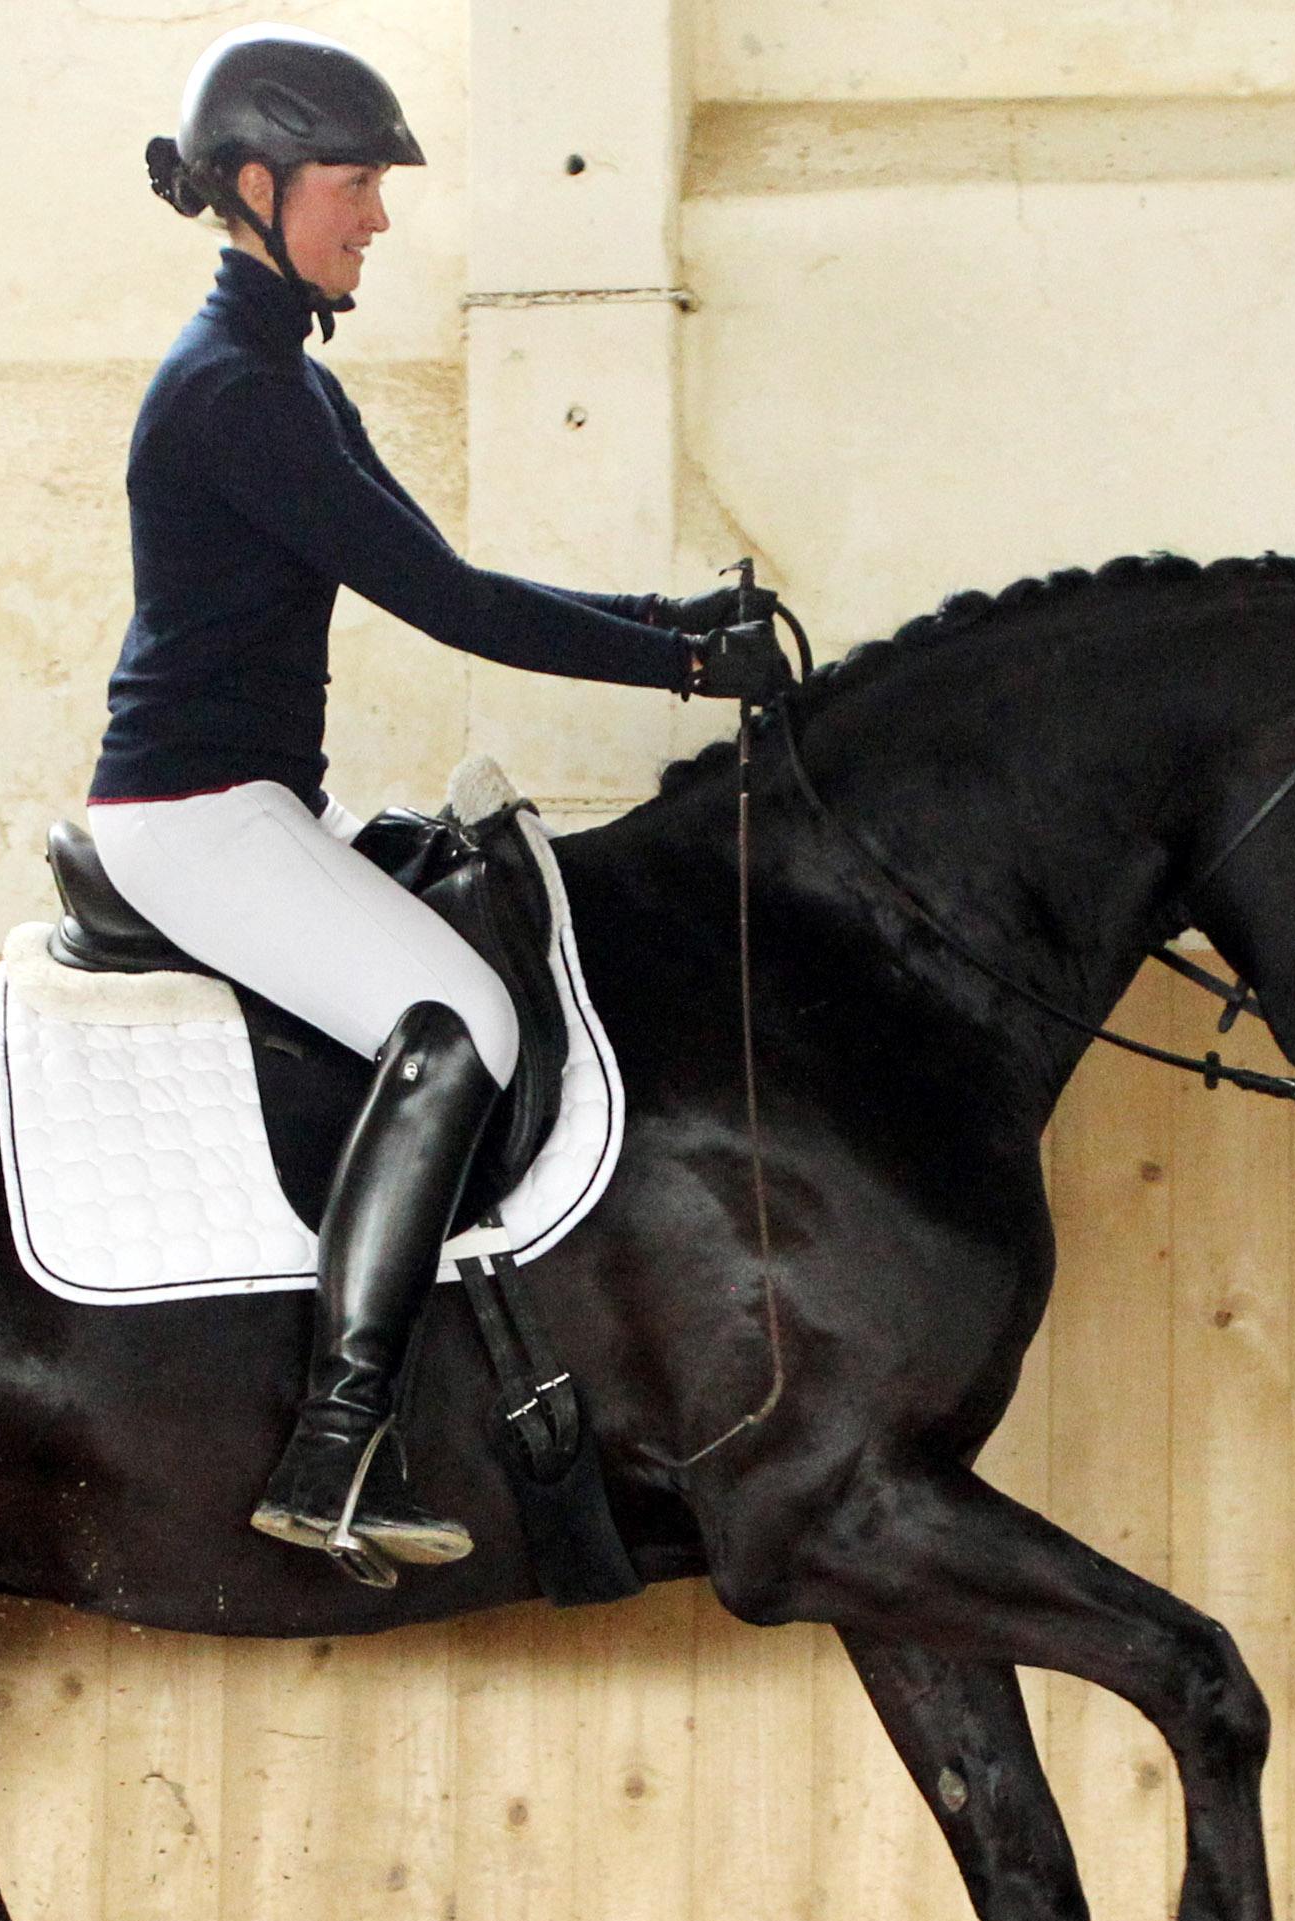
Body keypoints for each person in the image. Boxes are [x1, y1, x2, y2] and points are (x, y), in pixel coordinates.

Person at [88, 23, 791, 1584]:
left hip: (249, 798)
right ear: (256, 186)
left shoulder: (276, 378)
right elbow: (451, 608)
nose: (378, 219)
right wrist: (682, 665)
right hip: (194, 812)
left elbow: (461, 580)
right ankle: (338, 1444)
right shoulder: (236, 396)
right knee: (460, 1012)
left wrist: (681, 624)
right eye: (352, 185)